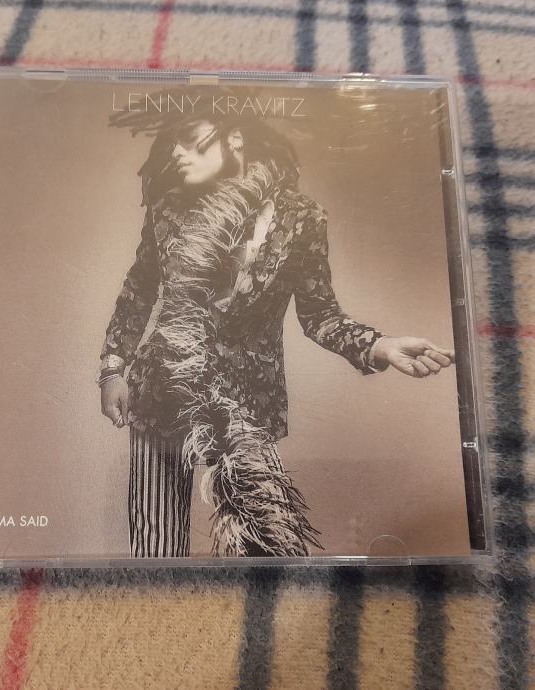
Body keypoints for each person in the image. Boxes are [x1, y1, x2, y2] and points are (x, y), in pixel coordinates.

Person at [97, 89, 455, 558]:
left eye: (187, 137)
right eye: (171, 143)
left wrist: (379, 346)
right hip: (163, 390)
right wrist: (112, 369)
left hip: (246, 403)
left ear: (235, 137)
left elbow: (320, 314)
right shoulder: (167, 209)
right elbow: (139, 290)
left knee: (266, 547)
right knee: (156, 548)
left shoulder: (300, 218)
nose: (176, 153)